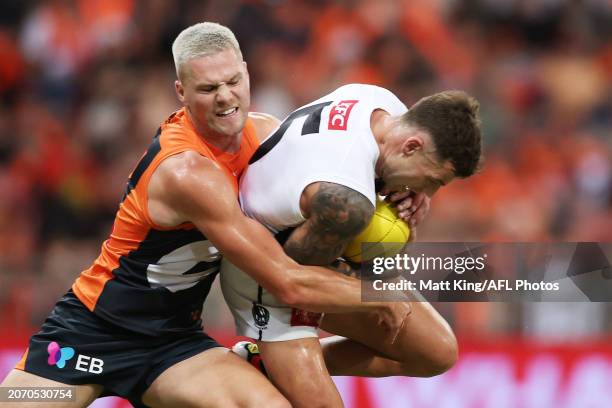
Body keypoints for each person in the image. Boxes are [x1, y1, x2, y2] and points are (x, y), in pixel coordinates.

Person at [0, 23, 412, 408]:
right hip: (91, 333)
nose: (226, 97)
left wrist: (405, 189)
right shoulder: (185, 171)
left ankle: (245, 360)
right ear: (181, 91)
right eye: (209, 88)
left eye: (234, 82)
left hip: (175, 344)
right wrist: (372, 295)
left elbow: (342, 170)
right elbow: (286, 281)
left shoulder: (268, 134)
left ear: (247, 73)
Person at [221, 83, 483, 407]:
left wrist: (406, 199)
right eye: (432, 180)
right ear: (412, 146)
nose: (427, 192)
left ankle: (261, 364)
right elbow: (293, 286)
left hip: (305, 236)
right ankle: (273, 367)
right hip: (263, 270)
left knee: (436, 351)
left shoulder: (382, 102)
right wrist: (376, 298)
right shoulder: (348, 201)